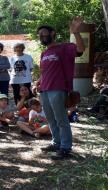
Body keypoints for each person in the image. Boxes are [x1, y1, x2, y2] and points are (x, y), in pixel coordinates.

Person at [36, 17, 85, 159]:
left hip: (58, 88)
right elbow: (45, 71)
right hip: (44, 90)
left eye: (44, 33)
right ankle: (56, 142)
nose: (41, 36)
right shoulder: (44, 53)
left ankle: (65, 147)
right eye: (39, 34)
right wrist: (38, 82)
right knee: (50, 119)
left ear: (52, 33)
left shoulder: (64, 47)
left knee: (61, 119)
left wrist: (75, 33)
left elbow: (81, 49)